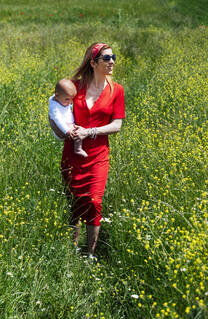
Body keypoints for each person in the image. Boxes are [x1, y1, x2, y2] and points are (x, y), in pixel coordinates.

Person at [49, 42, 125, 259]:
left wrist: (89, 132)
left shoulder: (116, 90)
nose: (112, 62)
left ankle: (90, 255)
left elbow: (117, 125)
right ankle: (72, 252)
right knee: (74, 201)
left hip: (98, 154)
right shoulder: (74, 86)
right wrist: (63, 132)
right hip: (72, 152)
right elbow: (54, 109)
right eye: (106, 58)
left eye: (113, 57)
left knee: (94, 201)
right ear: (93, 63)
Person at [49, 79, 88, 158]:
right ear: (56, 95)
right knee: (77, 132)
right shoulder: (54, 108)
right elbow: (58, 121)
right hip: (63, 127)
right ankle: (78, 148)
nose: (70, 102)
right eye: (67, 99)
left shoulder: (60, 99)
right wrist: (67, 131)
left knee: (78, 130)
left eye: (72, 99)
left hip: (67, 125)